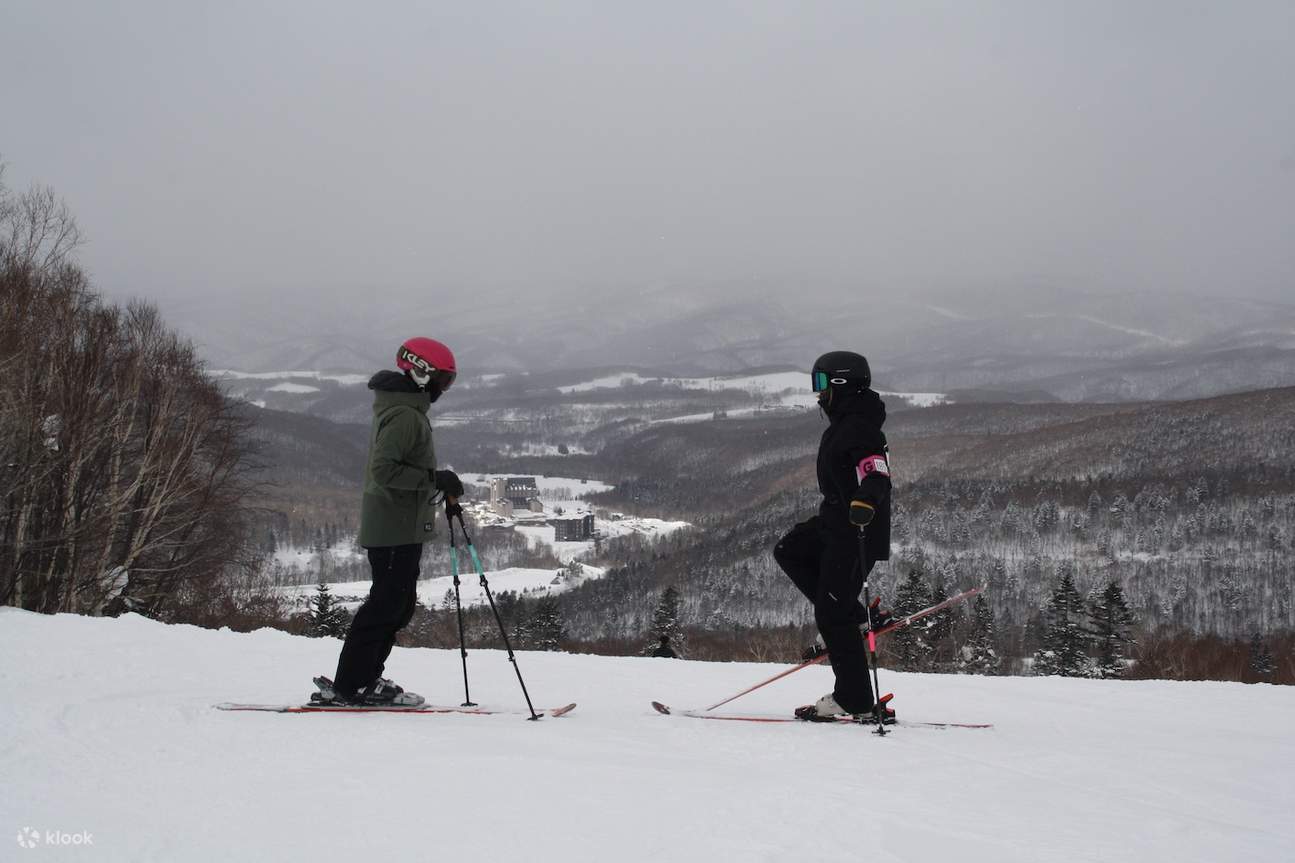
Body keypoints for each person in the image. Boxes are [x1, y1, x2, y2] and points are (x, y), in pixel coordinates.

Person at [315, 337, 464, 706]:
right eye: (443, 381)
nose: (444, 389)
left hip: (399, 524)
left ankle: (364, 678)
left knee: (397, 605)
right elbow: (384, 471)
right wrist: (433, 480)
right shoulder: (404, 416)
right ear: (420, 372)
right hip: (393, 526)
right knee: (386, 605)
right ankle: (352, 684)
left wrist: (434, 482)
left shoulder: (404, 409)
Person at [773, 351, 893, 721]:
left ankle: (853, 698)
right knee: (789, 550)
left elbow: (876, 472)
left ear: (840, 383)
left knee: (831, 615)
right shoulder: (845, 422)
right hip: (834, 523)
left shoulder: (860, 427)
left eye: (821, 383)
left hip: (857, 531)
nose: (817, 393)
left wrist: (865, 502)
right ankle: (856, 617)